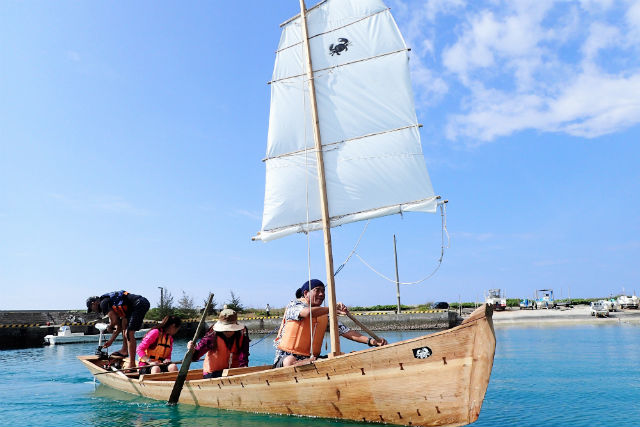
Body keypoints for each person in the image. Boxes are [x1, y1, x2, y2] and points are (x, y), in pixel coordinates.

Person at [273, 279, 387, 368]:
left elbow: (346, 331)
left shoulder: (324, 315)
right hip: (286, 358)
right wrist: (333, 308)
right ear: (306, 293)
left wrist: (372, 341)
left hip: (311, 359)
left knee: (342, 357)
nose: (322, 294)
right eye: (317, 290)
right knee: (289, 361)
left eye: (323, 291)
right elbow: (307, 313)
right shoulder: (294, 305)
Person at [86, 290, 150, 370]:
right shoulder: (108, 302)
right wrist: (110, 341)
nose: (94, 311)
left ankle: (132, 364)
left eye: (92, 309)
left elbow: (114, 321)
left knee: (129, 333)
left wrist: (110, 326)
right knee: (124, 325)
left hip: (139, 304)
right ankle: (124, 350)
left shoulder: (103, 303)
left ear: (94, 303)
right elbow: (119, 326)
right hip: (134, 306)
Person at [187, 306, 250, 378]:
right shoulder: (211, 337)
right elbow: (195, 356)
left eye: (230, 329)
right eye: (226, 330)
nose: (228, 332)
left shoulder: (242, 337)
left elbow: (243, 358)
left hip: (233, 373)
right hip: (212, 374)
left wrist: (244, 370)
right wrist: (192, 349)